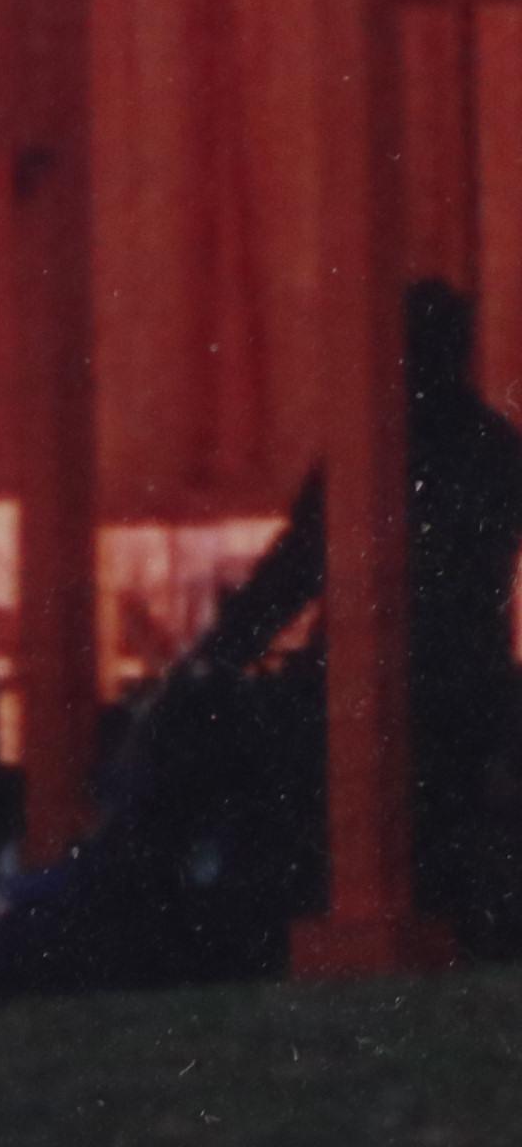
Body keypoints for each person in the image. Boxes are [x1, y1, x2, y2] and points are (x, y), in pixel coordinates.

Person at [204, 276, 522, 933]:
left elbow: (293, 569)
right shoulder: (494, 449)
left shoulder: (367, 453)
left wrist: (219, 655)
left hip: (359, 688)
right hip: (465, 684)